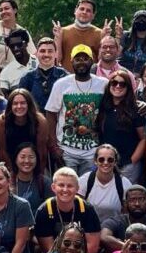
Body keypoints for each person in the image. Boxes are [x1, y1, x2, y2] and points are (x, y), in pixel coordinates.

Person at [45, 44, 108, 174]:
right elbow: (50, 114)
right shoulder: (61, 84)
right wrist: (54, 148)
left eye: (85, 59)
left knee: (88, 186)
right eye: (78, 59)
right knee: (66, 184)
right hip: (66, 150)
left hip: (92, 151)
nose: (81, 62)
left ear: (92, 61)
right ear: (71, 61)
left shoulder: (103, 84)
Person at [95, 72, 146, 184]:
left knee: (127, 193)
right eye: (114, 83)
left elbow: (144, 138)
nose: (118, 86)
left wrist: (132, 160)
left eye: (122, 84)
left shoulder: (136, 109)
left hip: (128, 166)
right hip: (106, 163)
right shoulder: (103, 107)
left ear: (128, 87)